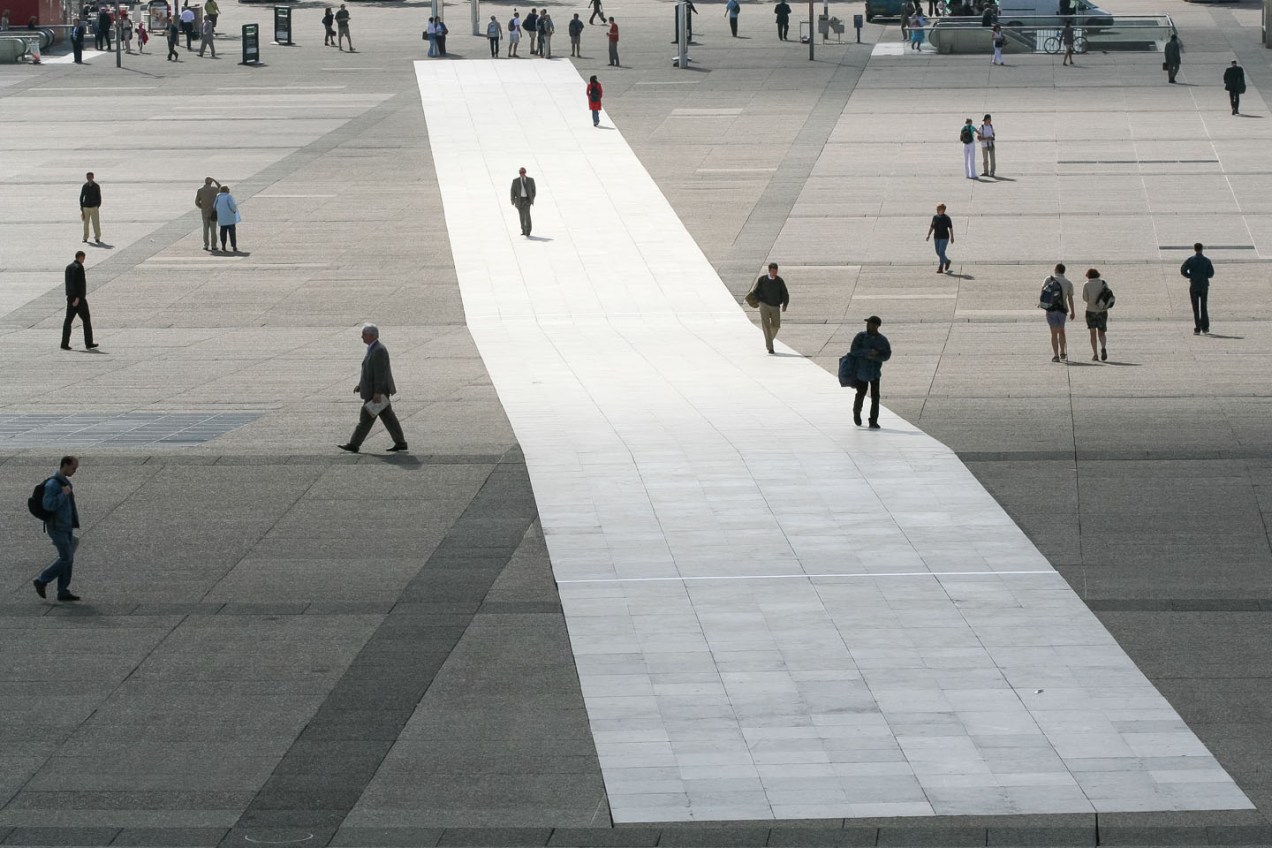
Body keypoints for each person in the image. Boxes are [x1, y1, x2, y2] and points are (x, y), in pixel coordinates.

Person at [338, 324, 407, 454]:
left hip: (376, 394)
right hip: (375, 391)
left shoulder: (379, 350)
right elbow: (369, 371)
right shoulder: (373, 348)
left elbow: (380, 373)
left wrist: (378, 392)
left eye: (363, 334)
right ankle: (401, 442)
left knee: (365, 419)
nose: (361, 337)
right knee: (389, 418)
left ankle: (354, 444)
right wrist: (360, 385)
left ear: (371, 335)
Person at [32, 456, 84, 603]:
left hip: (65, 526)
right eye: (73, 468)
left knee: (68, 559)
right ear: (65, 465)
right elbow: (49, 505)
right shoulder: (53, 484)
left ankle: (63, 591)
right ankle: (42, 580)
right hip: (57, 527)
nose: (74, 471)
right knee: (66, 558)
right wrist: (63, 494)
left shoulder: (64, 482)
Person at [848, 317, 891, 429]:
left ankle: (873, 420)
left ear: (877, 326)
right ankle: (856, 412)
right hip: (861, 371)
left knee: (875, 397)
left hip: (875, 372)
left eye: (871, 324)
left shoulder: (882, 340)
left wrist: (876, 356)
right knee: (861, 393)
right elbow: (853, 351)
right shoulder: (860, 336)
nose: (868, 326)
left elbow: (886, 355)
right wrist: (867, 352)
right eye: (868, 324)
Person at [61, 251, 97, 351]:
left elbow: (69, 284)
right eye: (83, 258)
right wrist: (78, 298)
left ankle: (64, 343)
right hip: (79, 299)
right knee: (86, 320)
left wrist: (71, 297)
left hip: (70, 298)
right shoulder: (79, 268)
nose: (84, 260)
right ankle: (89, 342)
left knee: (68, 321)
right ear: (80, 257)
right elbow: (80, 284)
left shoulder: (68, 267)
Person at [751, 262, 789, 354]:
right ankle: (770, 347)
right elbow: (755, 291)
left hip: (775, 305)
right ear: (769, 271)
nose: (774, 273)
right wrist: (759, 301)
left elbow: (785, 293)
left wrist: (785, 304)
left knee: (776, 326)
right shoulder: (762, 279)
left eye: (776, 271)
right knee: (766, 325)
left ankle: (769, 340)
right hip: (764, 305)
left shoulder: (779, 281)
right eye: (773, 271)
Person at [1041, 263, 1075, 362]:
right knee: (1061, 331)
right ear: (1064, 271)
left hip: (1051, 309)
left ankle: (1056, 355)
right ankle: (1062, 352)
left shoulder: (1048, 279)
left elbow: (1042, 292)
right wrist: (1072, 311)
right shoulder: (1068, 282)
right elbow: (1070, 298)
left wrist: (1043, 304)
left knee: (1053, 332)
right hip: (1062, 309)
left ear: (1055, 269)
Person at [1180, 242, 1214, 335]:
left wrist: (1190, 276)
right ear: (1202, 249)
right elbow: (1211, 273)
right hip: (1204, 285)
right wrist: (1204, 276)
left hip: (1194, 285)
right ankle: (1205, 327)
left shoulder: (1191, 260)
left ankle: (1197, 328)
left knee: (1195, 308)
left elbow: (1183, 270)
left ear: (1194, 249)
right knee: (1203, 306)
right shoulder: (1207, 260)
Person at [1081, 267, 1111, 361]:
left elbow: (1085, 298)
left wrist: (1091, 301)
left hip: (1090, 311)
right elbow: (1108, 294)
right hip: (1102, 310)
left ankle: (1095, 354)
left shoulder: (1086, 285)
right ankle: (1103, 347)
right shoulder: (1103, 283)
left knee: (1092, 333)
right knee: (1102, 332)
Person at [195, 176, 222, 251]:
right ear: (211, 183)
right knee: (213, 230)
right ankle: (214, 245)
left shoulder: (200, 190)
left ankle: (206, 245)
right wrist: (215, 180)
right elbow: (220, 187)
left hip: (204, 211)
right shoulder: (214, 189)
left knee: (205, 229)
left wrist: (202, 207)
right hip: (213, 212)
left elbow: (197, 202)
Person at [925, 203, 954, 273]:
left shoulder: (947, 218)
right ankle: (947, 261)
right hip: (936, 237)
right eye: (937, 209)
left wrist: (952, 237)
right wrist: (928, 235)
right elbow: (932, 226)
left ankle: (941, 267)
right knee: (938, 252)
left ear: (943, 210)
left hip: (944, 237)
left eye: (938, 209)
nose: (937, 210)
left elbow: (950, 228)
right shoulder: (935, 217)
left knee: (941, 252)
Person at [213, 185, 240, 252]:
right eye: (228, 189)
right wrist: (234, 211)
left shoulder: (218, 196)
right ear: (226, 190)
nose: (229, 190)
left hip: (222, 219)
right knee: (232, 233)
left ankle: (223, 246)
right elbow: (232, 206)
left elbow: (214, 206)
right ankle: (234, 246)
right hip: (230, 218)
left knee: (223, 233)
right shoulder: (228, 196)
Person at [511, 167, 536, 237]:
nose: (522, 174)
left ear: (525, 172)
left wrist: (531, 199)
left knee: (527, 215)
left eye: (523, 172)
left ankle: (528, 230)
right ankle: (524, 230)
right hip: (519, 200)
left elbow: (533, 190)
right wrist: (512, 200)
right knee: (521, 216)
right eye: (521, 173)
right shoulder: (515, 181)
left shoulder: (530, 180)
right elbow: (512, 191)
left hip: (527, 200)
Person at [80, 171, 102, 244]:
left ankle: (97, 237)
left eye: (90, 177)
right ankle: (85, 237)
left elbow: (99, 197)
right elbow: (81, 196)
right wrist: (82, 206)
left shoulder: (96, 186)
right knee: (86, 223)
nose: (89, 178)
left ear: (93, 177)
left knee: (96, 223)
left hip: (94, 207)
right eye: (88, 177)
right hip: (86, 207)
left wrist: (97, 205)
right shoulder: (85, 186)